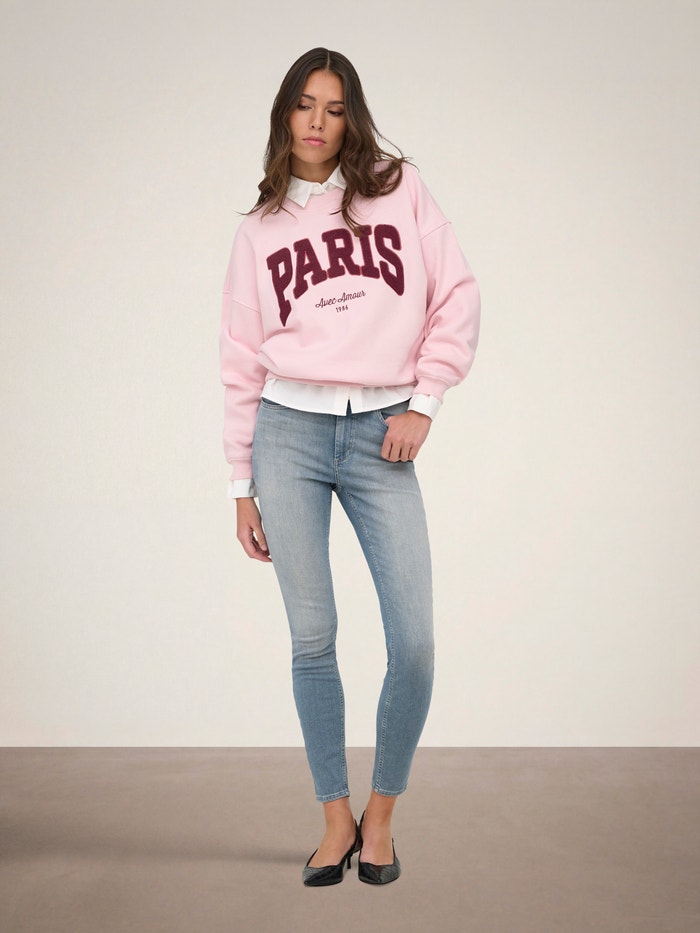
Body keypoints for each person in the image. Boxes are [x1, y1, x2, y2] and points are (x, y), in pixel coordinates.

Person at [220, 47, 480, 886]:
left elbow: (457, 293)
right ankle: (335, 818)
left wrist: (424, 402)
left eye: (334, 108)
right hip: (286, 436)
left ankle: (382, 814)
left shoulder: (398, 190)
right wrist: (240, 485)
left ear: (351, 117)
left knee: (415, 642)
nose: (317, 122)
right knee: (313, 637)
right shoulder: (259, 231)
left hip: (380, 432)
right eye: (305, 104)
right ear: (284, 114)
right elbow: (239, 361)